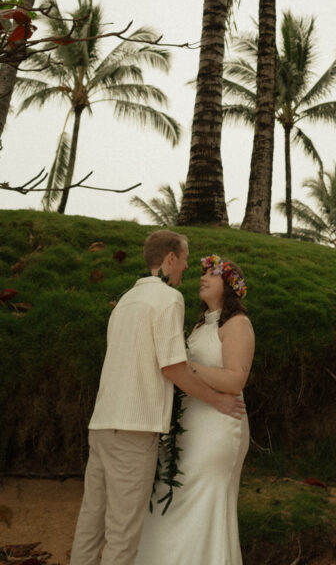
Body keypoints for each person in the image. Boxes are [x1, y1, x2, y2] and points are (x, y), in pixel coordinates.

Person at [70, 230, 245, 565]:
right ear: (170, 259)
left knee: (90, 527)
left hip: (101, 426)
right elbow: (174, 369)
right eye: (185, 259)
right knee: (123, 536)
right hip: (134, 430)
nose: (187, 267)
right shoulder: (168, 299)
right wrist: (218, 401)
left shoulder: (124, 301)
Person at [135, 254, 254, 565]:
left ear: (229, 286)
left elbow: (235, 379)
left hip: (217, 425)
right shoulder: (202, 324)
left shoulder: (237, 324)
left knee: (200, 500)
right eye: (202, 273)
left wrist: (187, 367)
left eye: (211, 275)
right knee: (170, 498)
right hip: (188, 427)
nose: (202, 278)